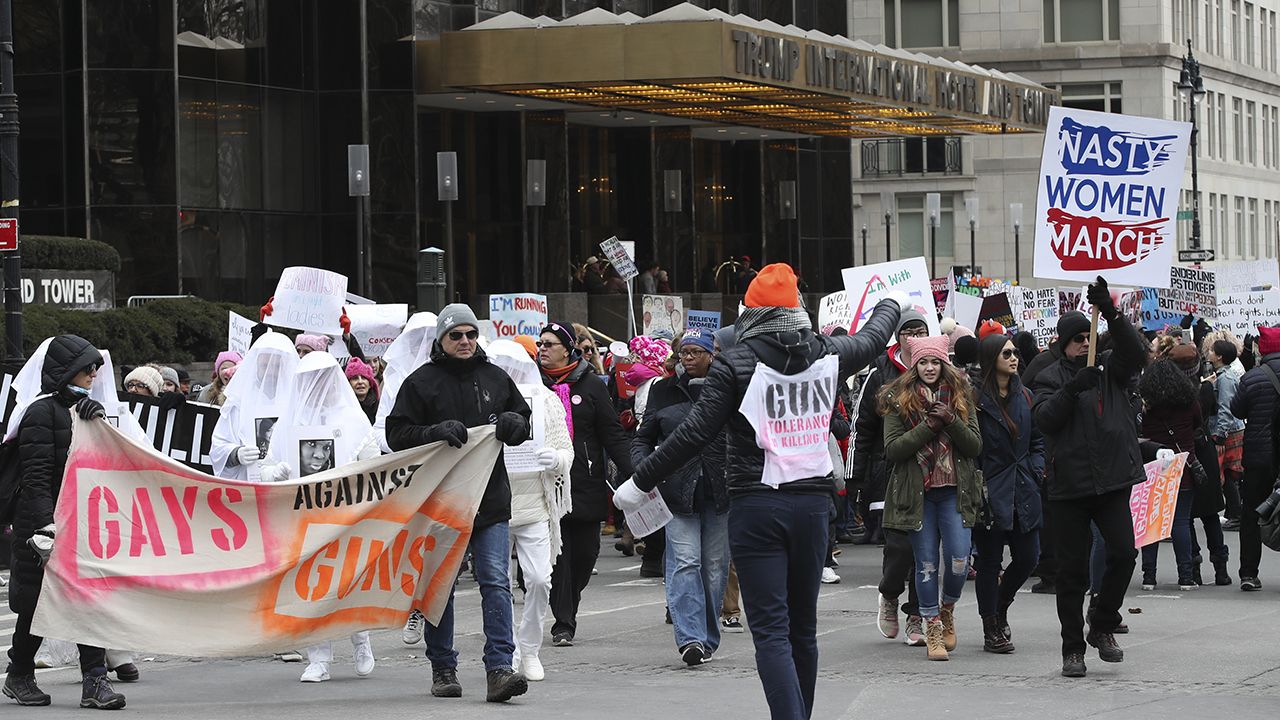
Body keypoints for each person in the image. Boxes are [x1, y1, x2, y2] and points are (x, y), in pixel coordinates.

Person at [622, 264, 904, 720]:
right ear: (797, 310)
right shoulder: (827, 352)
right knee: (803, 631)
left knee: (771, 632)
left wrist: (638, 481)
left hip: (757, 505)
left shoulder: (735, 362)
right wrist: (894, 302)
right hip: (814, 507)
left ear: (750, 314)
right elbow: (874, 338)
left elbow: (693, 433)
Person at [386, 303, 532, 703]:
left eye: (470, 334)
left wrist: (516, 425)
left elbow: (522, 420)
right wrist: (433, 431)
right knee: (440, 586)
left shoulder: (496, 377)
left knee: (496, 583)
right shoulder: (421, 382)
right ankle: (443, 667)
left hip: (490, 501)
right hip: (442, 504)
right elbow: (395, 433)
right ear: (441, 340)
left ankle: (500, 668)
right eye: (456, 335)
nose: (465, 341)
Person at [3, 335, 127, 709]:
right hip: (42, 528)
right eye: (87, 367)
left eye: (95, 368)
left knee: (85, 600)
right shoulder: (40, 413)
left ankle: (94, 681)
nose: (93, 374)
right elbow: (37, 477)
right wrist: (43, 528)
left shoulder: (84, 411)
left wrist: (92, 421)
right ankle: (19, 673)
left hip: (79, 524)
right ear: (66, 371)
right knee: (37, 608)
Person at [1031, 276, 1144, 678]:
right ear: (1063, 343)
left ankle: (1103, 621)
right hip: (1069, 488)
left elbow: (1136, 350)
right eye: (1077, 337)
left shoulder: (1111, 367)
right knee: (1071, 573)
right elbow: (1044, 419)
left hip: (1112, 481)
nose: (1083, 342)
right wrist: (1072, 389)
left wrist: (1111, 313)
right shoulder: (1048, 375)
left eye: (1088, 335)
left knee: (1123, 553)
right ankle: (1072, 649)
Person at [259, 352, 380, 682]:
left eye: (323, 378)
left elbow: (374, 464)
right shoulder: (289, 423)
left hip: (346, 514)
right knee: (311, 587)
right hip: (304, 517)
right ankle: (319, 658)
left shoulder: (353, 419)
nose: (317, 387)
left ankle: (361, 640)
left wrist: (354, 472)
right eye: (309, 380)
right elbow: (266, 467)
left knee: (350, 581)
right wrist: (276, 472)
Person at [878, 334, 982, 661]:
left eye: (935, 361)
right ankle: (931, 625)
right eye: (922, 362)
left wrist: (950, 420)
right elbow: (893, 449)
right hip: (917, 494)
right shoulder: (899, 398)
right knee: (925, 565)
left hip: (954, 490)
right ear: (914, 366)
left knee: (959, 559)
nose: (929, 368)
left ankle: (947, 608)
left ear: (944, 363)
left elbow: (975, 446)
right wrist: (928, 425)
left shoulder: (962, 395)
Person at [631, 328, 729, 666]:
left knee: (714, 569)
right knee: (685, 563)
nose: (688, 357)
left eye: (695, 352)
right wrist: (643, 469)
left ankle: (708, 637)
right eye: (683, 352)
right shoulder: (662, 391)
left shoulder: (729, 387)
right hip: (676, 492)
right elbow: (642, 439)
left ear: (711, 354)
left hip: (721, 491)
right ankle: (690, 639)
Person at [538, 321, 635, 647]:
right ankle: (563, 622)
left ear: (568, 349)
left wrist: (635, 474)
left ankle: (568, 600)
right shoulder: (533, 385)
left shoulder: (592, 385)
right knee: (557, 558)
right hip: (546, 487)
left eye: (550, 344)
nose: (543, 349)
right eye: (541, 344)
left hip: (586, 482)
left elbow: (612, 434)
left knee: (585, 554)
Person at [486, 340, 574, 683]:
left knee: (539, 578)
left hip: (535, 502)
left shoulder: (547, 401)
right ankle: (510, 650)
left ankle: (531, 646)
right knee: (498, 584)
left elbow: (565, 450)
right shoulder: (486, 402)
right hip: (494, 503)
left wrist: (557, 461)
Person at [850, 309, 930, 645]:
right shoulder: (879, 373)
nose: (914, 338)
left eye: (921, 331)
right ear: (896, 337)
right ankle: (890, 594)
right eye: (907, 332)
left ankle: (916, 614)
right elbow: (862, 430)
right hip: (890, 474)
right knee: (898, 546)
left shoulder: (939, 371)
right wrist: (855, 481)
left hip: (932, 474)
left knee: (926, 550)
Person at [973, 334, 1043, 654]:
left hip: (1024, 487)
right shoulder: (974, 400)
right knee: (988, 562)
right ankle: (990, 626)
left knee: (1029, 557)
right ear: (992, 358)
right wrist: (978, 483)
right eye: (1007, 353)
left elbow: (1038, 441)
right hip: (989, 489)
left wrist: (1036, 469)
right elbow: (970, 450)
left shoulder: (1026, 396)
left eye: (1015, 353)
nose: (1014, 358)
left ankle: (1001, 605)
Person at [1137, 354, 1202, 591]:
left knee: (1151, 522)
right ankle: (1186, 576)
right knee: (1180, 522)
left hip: (1152, 467)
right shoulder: (1190, 403)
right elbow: (1197, 425)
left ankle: (1149, 576)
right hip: (1182, 465)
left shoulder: (1146, 407)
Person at [1228, 324, 1280, 592]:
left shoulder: (1252, 377)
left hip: (1259, 458)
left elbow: (1236, 410)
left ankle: (1249, 572)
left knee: (1251, 514)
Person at [210, 332, 300, 482]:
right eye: (265, 365)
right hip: (248, 487)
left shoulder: (297, 400)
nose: (271, 371)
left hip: (289, 484)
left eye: (276, 366)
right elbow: (218, 447)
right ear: (256, 364)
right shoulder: (239, 401)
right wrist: (236, 454)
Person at [374, 312, 437, 454]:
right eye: (420, 341)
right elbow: (380, 428)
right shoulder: (395, 380)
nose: (426, 348)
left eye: (432, 340)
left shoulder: (454, 375)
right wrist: (401, 449)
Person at [345, 357, 380, 423]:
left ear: (370, 384)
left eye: (364, 378)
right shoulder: (344, 408)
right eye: (355, 378)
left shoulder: (379, 408)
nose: (360, 382)